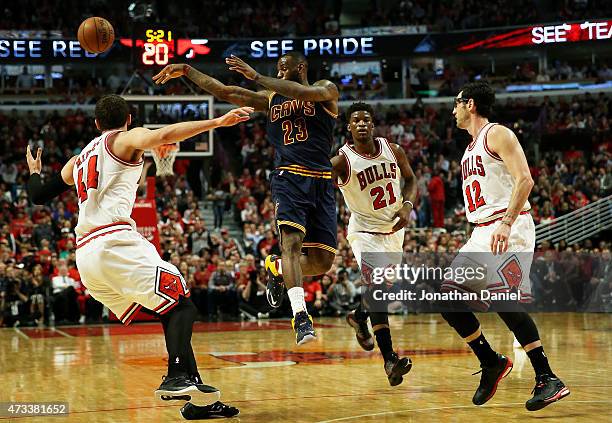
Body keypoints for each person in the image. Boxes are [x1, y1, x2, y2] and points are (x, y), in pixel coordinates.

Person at [26, 94, 249, 419]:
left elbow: (37, 195)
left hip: (86, 256)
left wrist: (34, 171)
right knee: (183, 303)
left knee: (168, 309)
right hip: (113, 241)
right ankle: (176, 376)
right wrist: (217, 122)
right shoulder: (124, 138)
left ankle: (198, 399)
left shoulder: (77, 161)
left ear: (96, 124)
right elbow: (162, 136)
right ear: (128, 119)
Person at [154, 52, 339, 345]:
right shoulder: (270, 98)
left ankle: (277, 268)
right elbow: (226, 91)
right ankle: (301, 318)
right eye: (276, 69)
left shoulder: (326, 89)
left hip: (322, 182)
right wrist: (189, 70)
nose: (279, 72)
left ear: (300, 68)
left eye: (283, 68)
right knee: (290, 244)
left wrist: (255, 77)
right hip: (288, 177)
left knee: (321, 263)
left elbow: (301, 92)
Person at [441, 82, 569, 410]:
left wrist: (507, 222)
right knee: (447, 296)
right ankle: (491, 361)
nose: (452, 109)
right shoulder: (469, 149)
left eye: (456, 103)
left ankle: (547, 378)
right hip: (482, 231)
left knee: (502, 298)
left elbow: (525, 179)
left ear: (469, 103)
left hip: (508, 226)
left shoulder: (497, 134)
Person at [332, 102, 417, 386]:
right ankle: (389, 359)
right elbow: (318, 186)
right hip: (364, 231)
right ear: (348, 127)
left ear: (373, 123)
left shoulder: (393, 150)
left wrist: (407, 205)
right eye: (355, 120)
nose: (361, 124)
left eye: (366, 119)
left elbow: (411, 180)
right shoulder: (342, 160)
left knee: (380, 291)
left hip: (393, 230)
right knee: (378, 289)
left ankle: (358, 317)